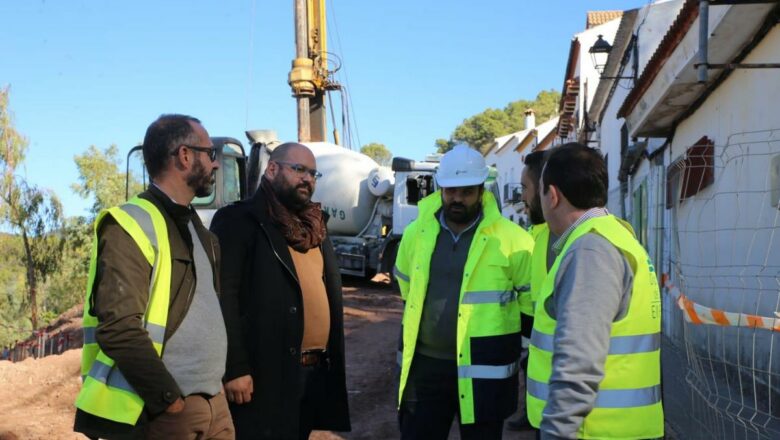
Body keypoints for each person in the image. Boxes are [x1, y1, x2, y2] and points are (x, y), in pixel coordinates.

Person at [74, 114, 234, 440]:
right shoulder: (130, 224)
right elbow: (118, 328)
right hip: (167, 412)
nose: (215, 166)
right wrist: (168, 400)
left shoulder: (199, 230)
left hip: (214, 404)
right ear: (185, 156)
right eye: (210, 154)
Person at [394, 145, 534, 439]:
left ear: (482, 190)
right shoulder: (415, 234)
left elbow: (529, 307)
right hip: (426, 369)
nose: (457, 198)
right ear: (440, 188)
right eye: (450, 191)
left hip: (486, 371)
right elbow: (407, 288)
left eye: (466, 191)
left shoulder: (514, 241)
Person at [211, 142, 350, 439]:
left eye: (313, 173)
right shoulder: (240, 220)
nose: (307, 179)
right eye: (299, 169)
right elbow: (223, 297)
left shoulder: (314, 227)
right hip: (264, 373)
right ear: (272, 169)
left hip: (311, 372)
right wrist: (234, 367)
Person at [527, 143, 663, 439]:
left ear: (552, 196)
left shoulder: (590, 250)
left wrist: (556, 432)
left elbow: (579, 361)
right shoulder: (616, 235)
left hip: (592, 431)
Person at [506, 149, 553, 432]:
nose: (522, 197)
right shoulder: (540, 235)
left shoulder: (560, 243)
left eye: (525, 188)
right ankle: (531, 414)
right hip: (535, 336)